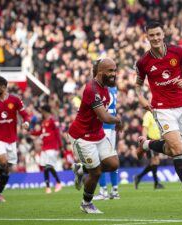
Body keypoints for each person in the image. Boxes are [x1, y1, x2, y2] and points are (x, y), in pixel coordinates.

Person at [135, 21, 182, 206]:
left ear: (163, 34)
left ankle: (146, 145)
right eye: (152, 35)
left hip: (181, 106)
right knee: (178, 149)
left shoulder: (178, 52)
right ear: (147, 37)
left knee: (171, 149)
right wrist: (141, 99)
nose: (156, 38)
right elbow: (137, 86)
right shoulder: (144, 62)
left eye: (158, 34)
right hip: (161, 108)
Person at [68, 58, 123, 214]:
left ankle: (81, 169)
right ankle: (86, 203)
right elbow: (105, 117)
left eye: (115, 70)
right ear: (100, 72)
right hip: (82, 136)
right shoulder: (92, 89)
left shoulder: (105, 86)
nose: (114, 73)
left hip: (97, 133)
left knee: (113, 164)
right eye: (110, 71)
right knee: (96, 172)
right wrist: (118, 120)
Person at [93, 86, 120, 200]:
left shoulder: (102, 89)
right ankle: (114, 191)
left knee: (101, 159)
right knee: (111, 157)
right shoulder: (114, 88)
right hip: (111, 127)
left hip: (105, 127)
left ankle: (103, 191)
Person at [30, 104, 63, 194]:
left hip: (52, 147)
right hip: (44, 147)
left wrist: (60, 147)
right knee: (45, 167)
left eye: (42, 111)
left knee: (48, 166)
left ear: (46, 111)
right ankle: (48, 187)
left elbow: (57, 134)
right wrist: (31, 132)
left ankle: (58, 182)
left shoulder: (53, 121)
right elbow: (40, 132)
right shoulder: (43, 122)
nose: (41, 113)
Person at [133, 111, 165, 189]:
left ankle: (138, 177)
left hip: (157, 141)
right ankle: (156, 183)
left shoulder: (156, 113)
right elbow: (145, 128)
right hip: (150, 141)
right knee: (155, 161)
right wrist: (144, 144)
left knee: (154, 162)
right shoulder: (148, 114)